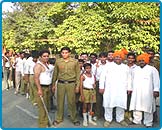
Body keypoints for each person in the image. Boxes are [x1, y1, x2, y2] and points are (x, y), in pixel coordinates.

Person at [99, 50, 129, 127]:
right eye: (116, 57)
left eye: (119, 57)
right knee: (108, 104)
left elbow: (129, 79)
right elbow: (102, 77)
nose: (118, 58)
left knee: (120, 104)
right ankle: (108, 119)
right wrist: (101, 87)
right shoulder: (108, 66)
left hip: (121, 89)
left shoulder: (125, 67)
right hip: (109, 89)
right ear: (114, 57)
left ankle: (120, 119)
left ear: (122, 58)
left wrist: (129, 88)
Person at [129, 53, 160, 128]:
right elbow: (131, 80)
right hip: (136, 91)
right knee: (137, 106)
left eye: (143, 60)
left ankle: (148, 122)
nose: (141, 62)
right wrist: (130, 88)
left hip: (148, 92)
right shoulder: (134, 69)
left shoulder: (152, 69)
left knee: (147, 107)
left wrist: (156, 90)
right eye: (140, 60)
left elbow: (156, 80)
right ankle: (137, 120)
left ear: (146, 61)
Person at [52, 47, 80, 126]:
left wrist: (77, 86)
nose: (64, 54)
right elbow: (55, 74)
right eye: (63, 53)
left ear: (69, 53)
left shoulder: (75, 62)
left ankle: (74, 118)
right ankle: (58, 118)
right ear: (61, 53)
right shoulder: (58, 61)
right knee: (60, 102)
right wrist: (53, 84)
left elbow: (78, 74)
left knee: (71, 102)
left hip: (71, 84)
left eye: (66, 52)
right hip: (61, 84)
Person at [34, 49, 52, 128]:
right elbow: (36, 78)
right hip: (42, 87)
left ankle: (46, 122)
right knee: (42, 108)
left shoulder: (46, 64)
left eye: (47, 56)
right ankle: (42, 125)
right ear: (40, 57)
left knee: (47, 106)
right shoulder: (38, 66)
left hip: (48, 87)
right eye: (44, 56)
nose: (46, 57)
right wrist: (39, 89)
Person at [125, 52, 137, 123]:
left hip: (134, 87)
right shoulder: (124, 66)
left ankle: (130, 115)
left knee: (132, 101)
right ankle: (125, 114)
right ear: (127, 59)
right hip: (124, 87)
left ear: (134, 59)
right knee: (125, 100)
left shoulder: (137, 67)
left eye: (132, 58)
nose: (130, 59)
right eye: (129, 58)